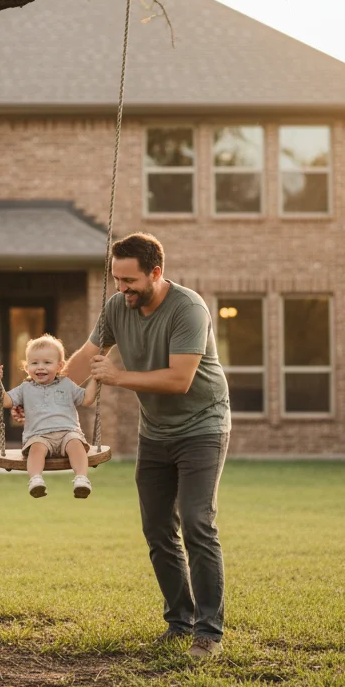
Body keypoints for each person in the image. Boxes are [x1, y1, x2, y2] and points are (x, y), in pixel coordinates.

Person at [66, 232, 231, 659]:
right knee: (157, 528)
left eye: (129, 281)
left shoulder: (188, 309)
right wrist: (45, 396)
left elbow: (180, 380)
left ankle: (208, 631)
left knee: (197, 522)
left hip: (202, 427)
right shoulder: (116, 308)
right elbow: (85, 357)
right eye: (116, 280)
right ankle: (179, 622)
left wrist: (118, 377)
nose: (121, 290)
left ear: (156, 273)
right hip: (156, 431)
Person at [0, 334, 98, 499]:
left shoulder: (67, 384)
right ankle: (35, 480)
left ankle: (81, 479)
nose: (40, 367)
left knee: (76, 444)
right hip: (38, 436)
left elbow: (87, 399)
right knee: (36, 449)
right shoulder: (25, 388)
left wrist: (96, 378)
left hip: (67, 432)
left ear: (60, 366)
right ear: (27, 368)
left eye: (47, 362)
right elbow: (3, 401)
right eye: (34, 363)